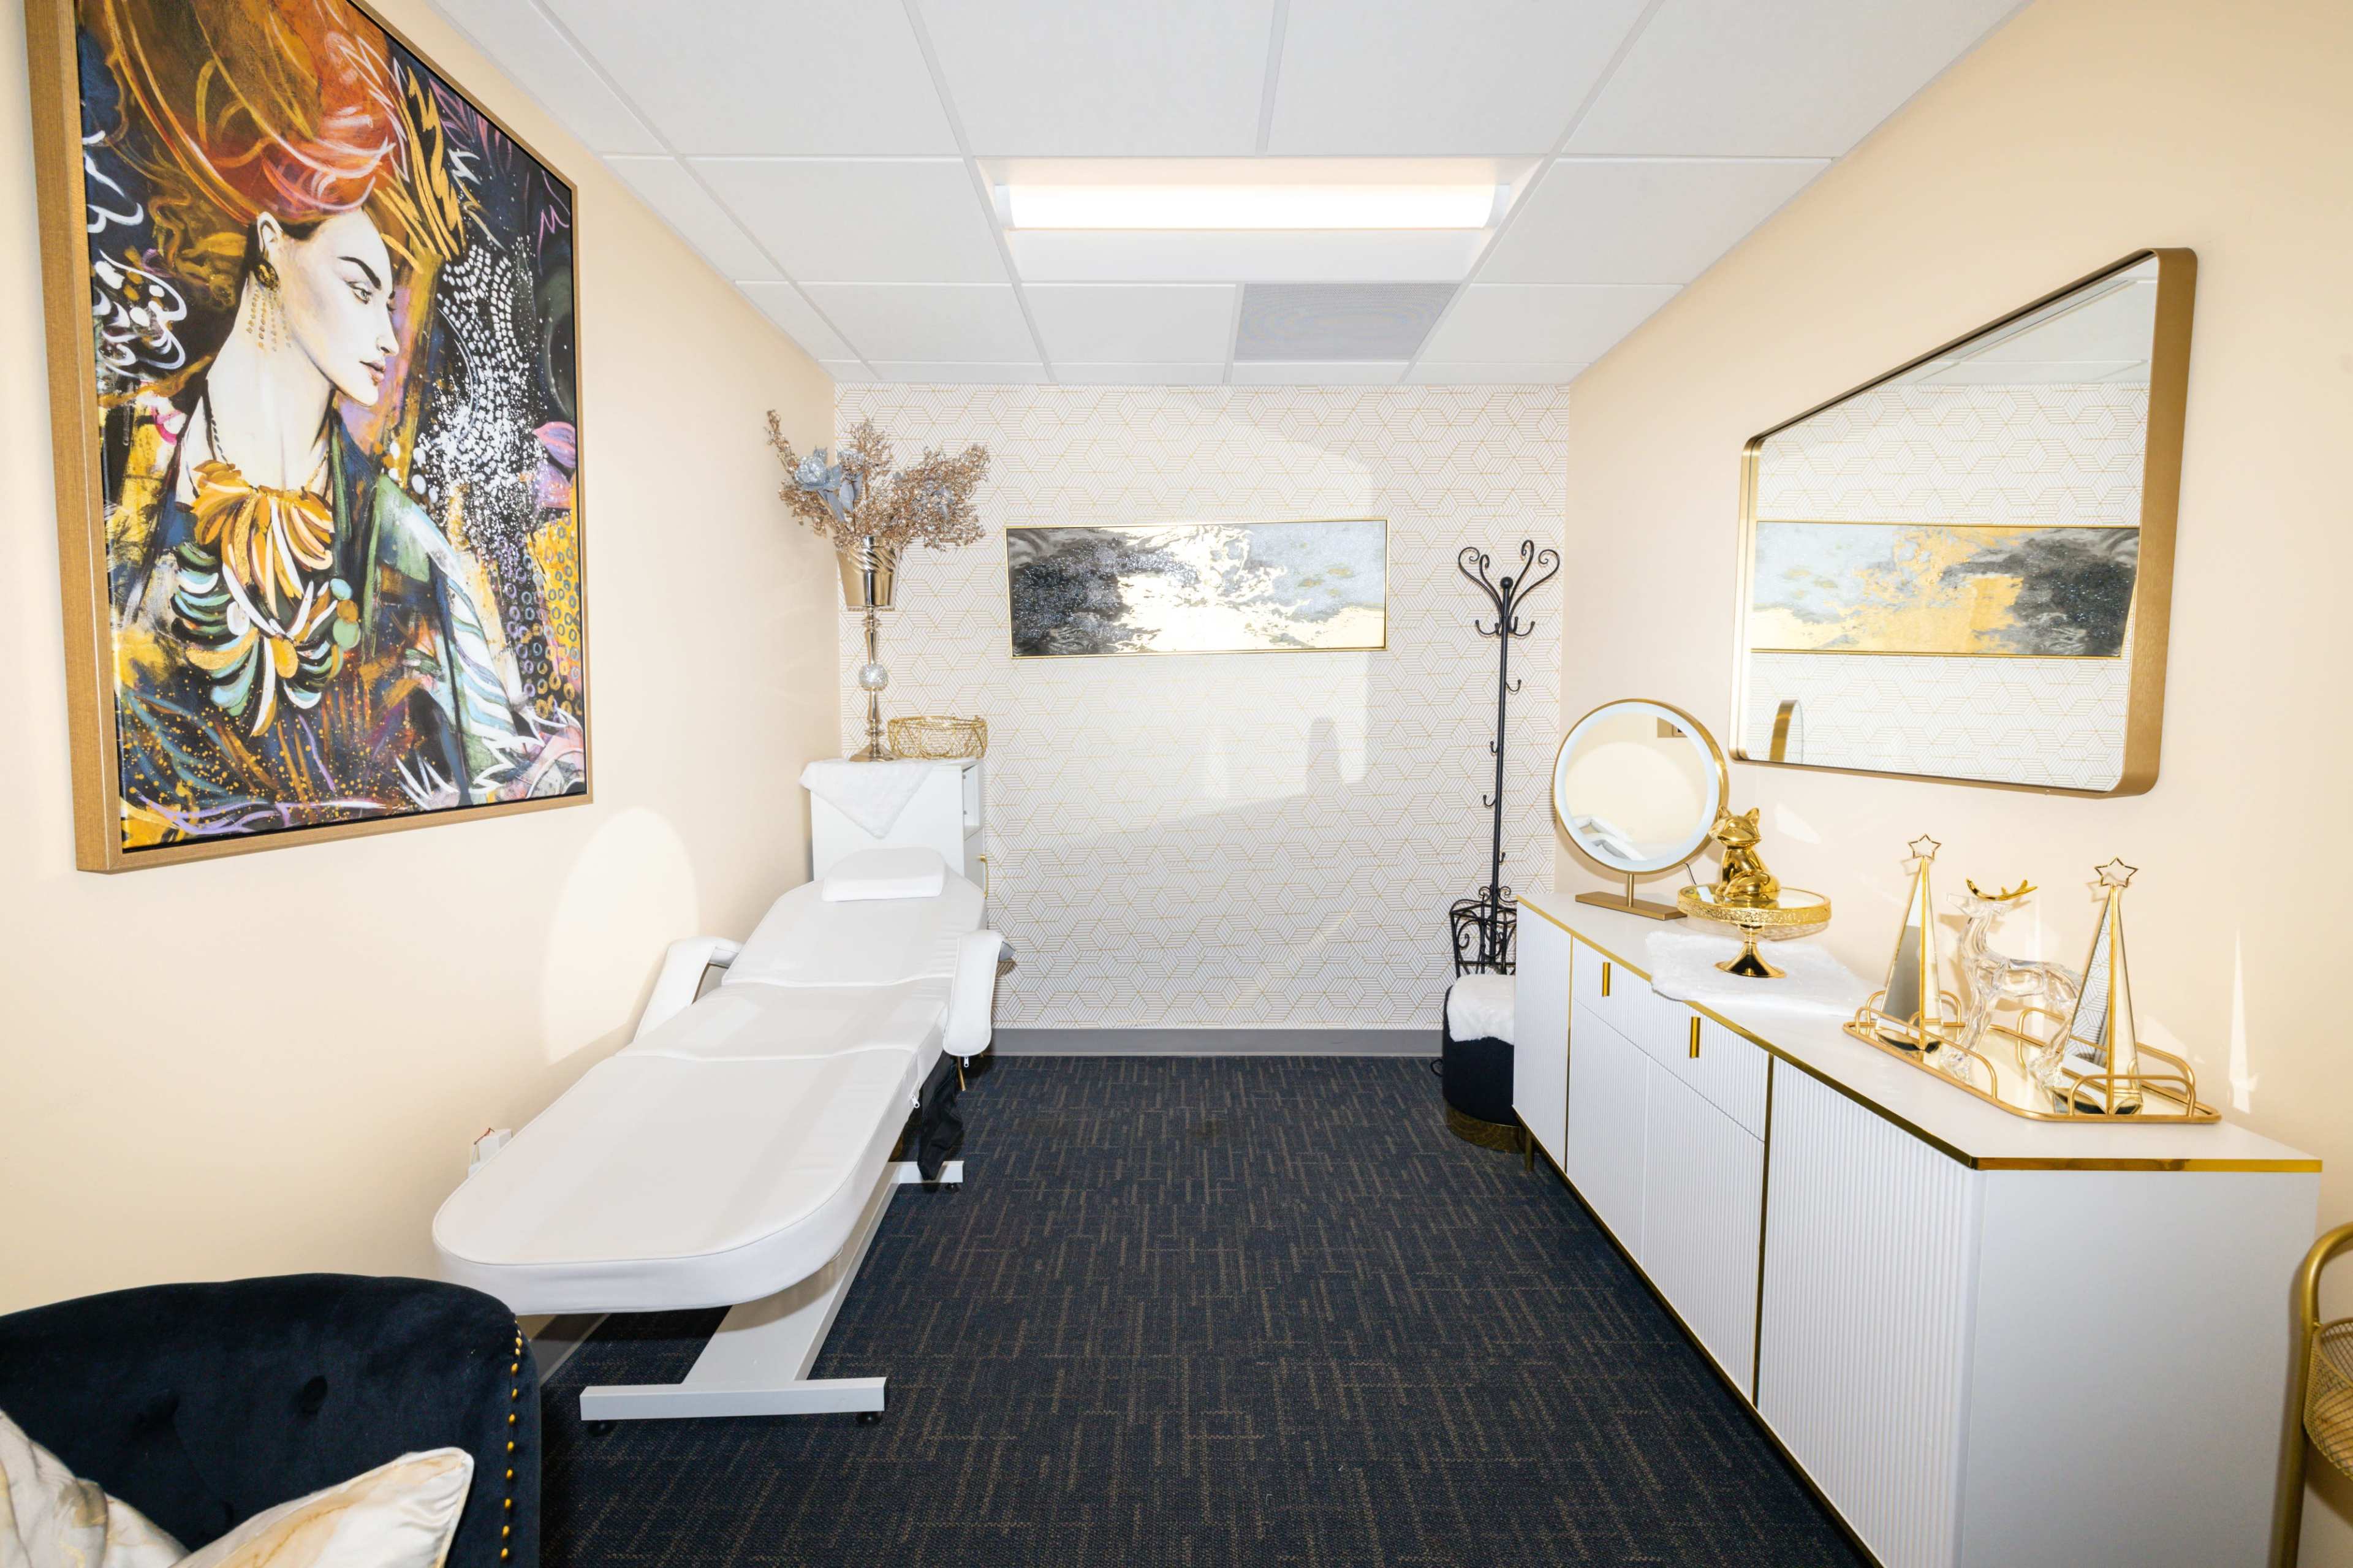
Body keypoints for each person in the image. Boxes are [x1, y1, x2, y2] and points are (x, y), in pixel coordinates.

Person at [86, 0, 569, 847]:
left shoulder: (409, 548)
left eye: (391, 300)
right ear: (270, 245)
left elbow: (497, 768)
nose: (387, 335)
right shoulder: (118, 468)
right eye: (358, 287)